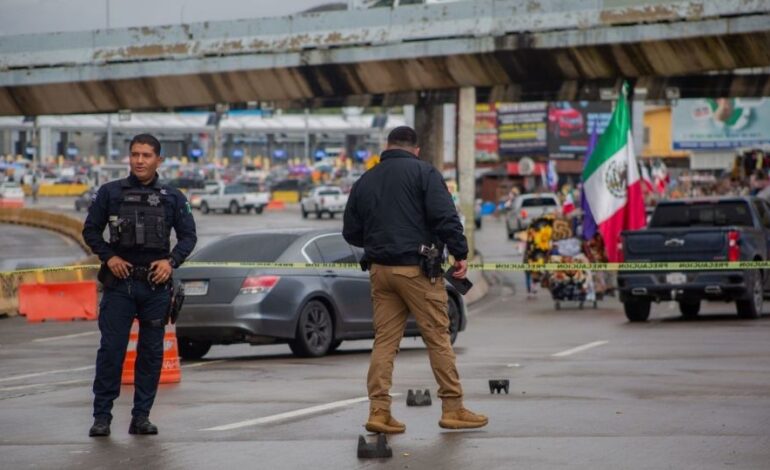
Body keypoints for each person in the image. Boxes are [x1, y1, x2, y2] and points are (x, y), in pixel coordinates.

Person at [343, 126, 488, 433]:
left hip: (380, 270)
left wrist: (380, 241)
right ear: (416, 149)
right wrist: (460, 252)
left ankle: (379, 413)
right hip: (417, 270)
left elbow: (350, 232)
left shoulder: (366, 179)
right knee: (438, 336)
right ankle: (453, 408)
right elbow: (444, 216)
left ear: (388, 147)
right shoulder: (425, 173)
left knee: (384, 342)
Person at [82, 134, 197, 437]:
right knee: (111, 351)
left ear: (159, 160)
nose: (140, 160)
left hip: (156, 287)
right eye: (135, 154)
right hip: (120, 285)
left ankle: (141, 417)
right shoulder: (110, 193)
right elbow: (91, 230)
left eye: (147, 155)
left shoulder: (173, 197)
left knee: (150, 354)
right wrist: (109, 257)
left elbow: (188, 237)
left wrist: (171, 262)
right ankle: (102, 417)